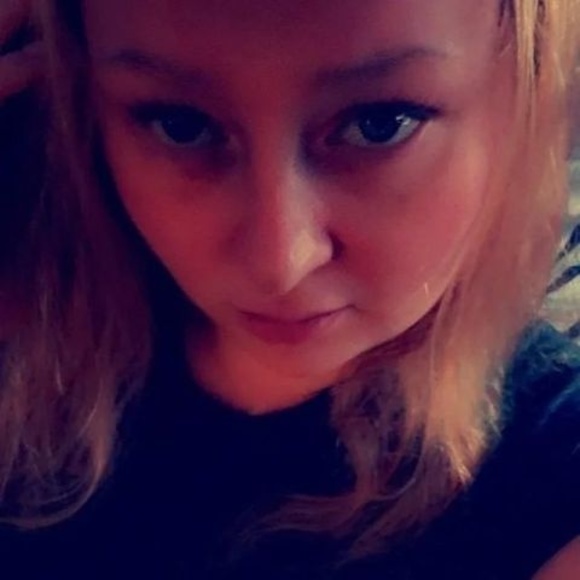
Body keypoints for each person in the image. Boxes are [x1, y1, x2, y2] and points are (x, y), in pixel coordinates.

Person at [0, 0, 579, 578]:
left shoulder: (553, 470)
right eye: (180, 124)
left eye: (380, 123)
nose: (279, 263)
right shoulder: (31, 356)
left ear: (527, 93)